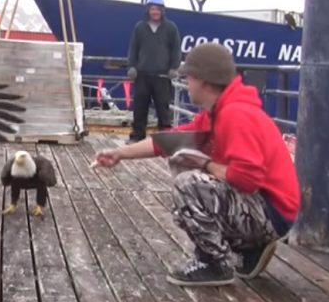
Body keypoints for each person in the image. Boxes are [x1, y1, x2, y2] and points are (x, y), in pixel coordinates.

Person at [94, 42, 300, 287]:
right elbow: (169, 142)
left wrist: (205, 164)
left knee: (189, 183)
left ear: (204, 81)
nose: (185, 83)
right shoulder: (218, 112)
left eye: (188, 77)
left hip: (273, 212)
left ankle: (213, 264)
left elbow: (247, 179)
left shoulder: (236, 115)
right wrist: (119, 153)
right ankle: (251, 249)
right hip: (266, 209)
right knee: (186, 190)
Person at [126, 0, 182, 143]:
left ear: (162, 10)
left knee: (163, 108)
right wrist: (131, 66)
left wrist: (173, 68)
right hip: (142, 74)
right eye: (152, 9)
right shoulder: (140, 27)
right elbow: (133, 48)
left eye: (157, 9)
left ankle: (164, 138)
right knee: (140, 108)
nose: (155, 12)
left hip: (162, 76)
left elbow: (176, 50)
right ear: (148, 10)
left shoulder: (171, 28)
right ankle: (137, 136)